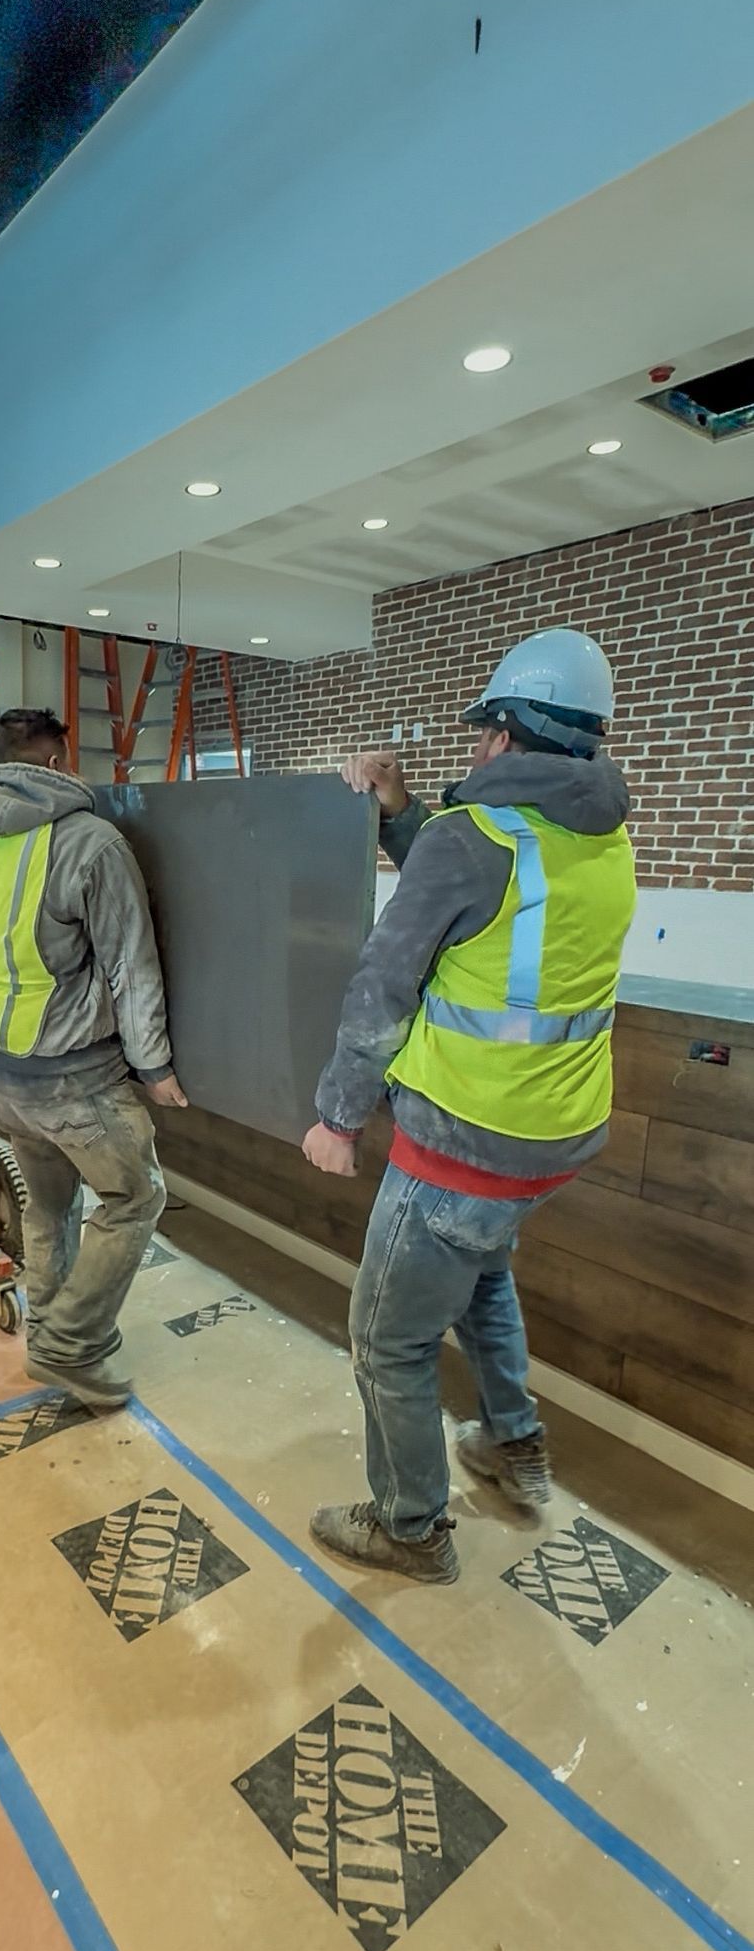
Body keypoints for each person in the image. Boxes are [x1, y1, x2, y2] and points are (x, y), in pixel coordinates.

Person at [303, 629, 636, 1585]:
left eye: (484, 730)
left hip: (464, 1139)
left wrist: (337, 1116)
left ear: (503, 734)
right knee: (482, 1276)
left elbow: (382, 990)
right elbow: (491, 892)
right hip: (555, 1136)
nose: (477, 748)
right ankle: (512, 1443)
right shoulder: (602, 832)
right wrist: (403, 807)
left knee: (389, 1337)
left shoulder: (469, 839)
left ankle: (410, 1527)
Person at [0, 707, 186, 1409]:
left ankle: (48, 1323)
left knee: (49, 1204)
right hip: (73, 1072)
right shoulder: (90, 843)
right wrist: (156, 1068)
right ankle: (69, 1346)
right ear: (52, 763)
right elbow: (131, 968)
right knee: (136, 1197)